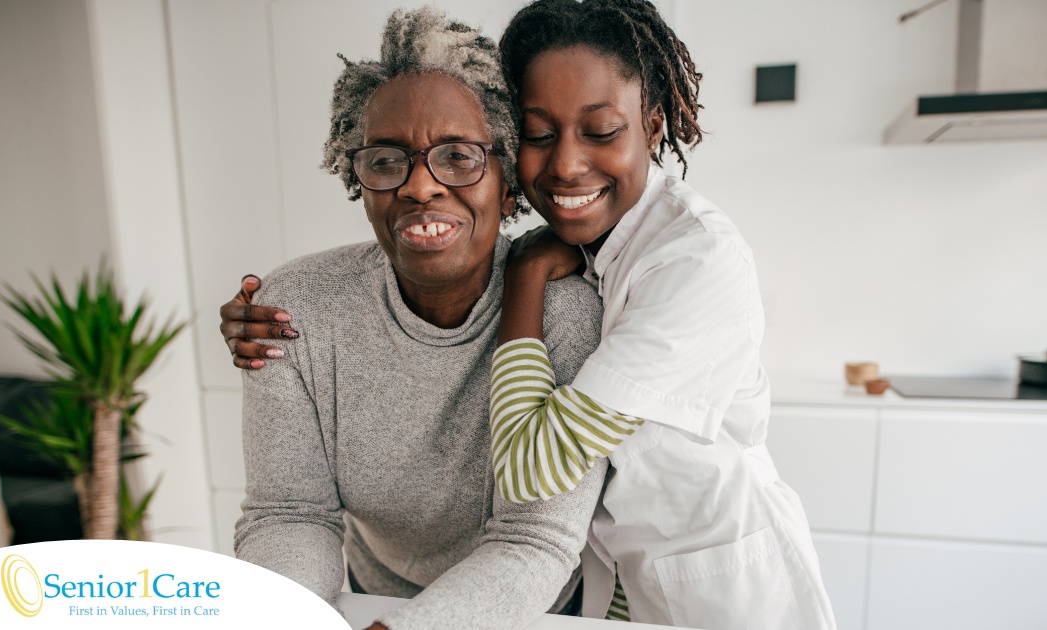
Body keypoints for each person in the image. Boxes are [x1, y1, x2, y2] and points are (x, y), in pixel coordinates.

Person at [229, 8, 607, 630]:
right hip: (369, 597)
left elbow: (533, 539)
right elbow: (288, 512)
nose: (419, 187)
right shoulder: (294, 308)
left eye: (457, 156)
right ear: (362, 183)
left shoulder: (568, 314)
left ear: (508, 181)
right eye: (386, 160)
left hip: (526, 611)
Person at [486, 1, 838, 628]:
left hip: (725, 594)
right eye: (539, 134)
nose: (565, 163)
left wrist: (525, 274)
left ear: (651, 128)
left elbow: (530, 464)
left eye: (600, 132)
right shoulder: (595, 243)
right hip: (627, 586)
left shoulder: (695, 258)